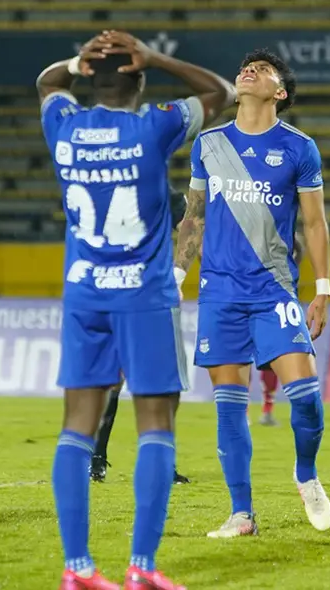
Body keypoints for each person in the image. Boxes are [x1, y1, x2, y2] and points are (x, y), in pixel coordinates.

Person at [38, 30, 234, 589]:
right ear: (140, 80)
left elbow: (47, 82)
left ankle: (76, 568)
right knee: (155, 424)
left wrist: (79, 60)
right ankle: (142, 568)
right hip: (144, 294)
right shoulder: (154, 126)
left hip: (84, 292)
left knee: (77, 425)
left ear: (88, 80)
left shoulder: (64, 125)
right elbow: (219, 92)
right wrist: (157, 56)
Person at [173, 48, 330, 539]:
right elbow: (194, 216)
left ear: (279, 92)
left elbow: (314, 221)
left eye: (263, 70)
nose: (249, 71)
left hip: (274, 288)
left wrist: (322, 291)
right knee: (229, 403)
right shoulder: (209, 143)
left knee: (305, 396)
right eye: (246, 66)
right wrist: (175, 277)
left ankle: (305, 473)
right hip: (219, 291)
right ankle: (242, 514)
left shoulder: (298, 147)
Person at [91, 187, 191, 486]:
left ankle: (162, 462)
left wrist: (177, 275)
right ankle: (97, 457)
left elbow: (192, 225)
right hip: (118, 291)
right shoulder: (110, 190)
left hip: (155, 295)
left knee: (162, 382)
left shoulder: (167, 196)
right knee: (114, 378)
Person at [257, 232, 304, 427]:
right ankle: (245, 412)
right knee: (241, 359)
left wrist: (293, 269)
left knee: (271, 360)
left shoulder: (283, 232)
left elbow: (299, 247)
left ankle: (267, 411)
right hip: (244, 298)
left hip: (274, 302)